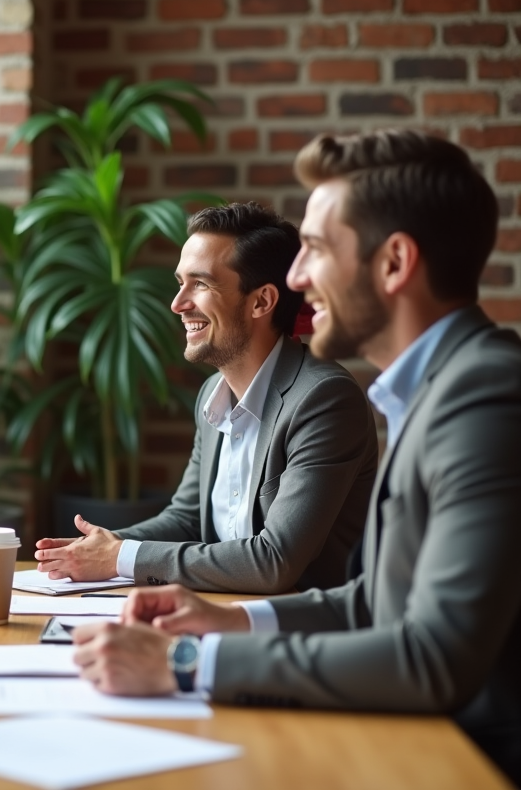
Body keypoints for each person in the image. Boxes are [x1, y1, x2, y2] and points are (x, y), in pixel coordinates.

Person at [71, 130, 521, 784]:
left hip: (465, 760)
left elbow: (432, 658)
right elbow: (372, 604)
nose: (298, 278)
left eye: (314, 250)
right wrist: (227, 620)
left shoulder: (483, 396)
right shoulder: (430, 391)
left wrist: (189, 664)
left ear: (394, 263)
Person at [35, 202, 378, 593]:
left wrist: (119, 557)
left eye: (200, 284)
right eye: (180, 282)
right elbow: (187, 519)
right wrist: (96, 548)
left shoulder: (324, 399)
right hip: (216, 615)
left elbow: (274, 561)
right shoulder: (211, 397)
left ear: (261, 302)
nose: (178, 304)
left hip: (299, 637)